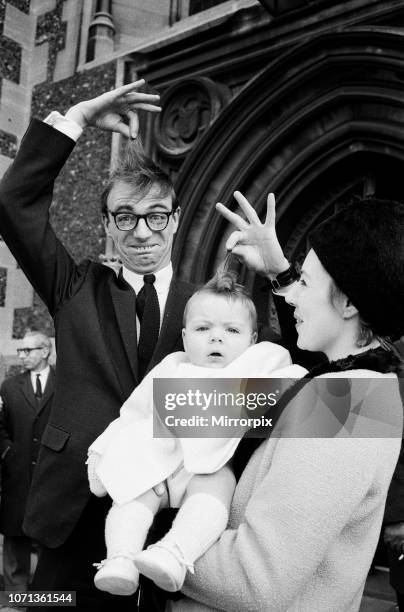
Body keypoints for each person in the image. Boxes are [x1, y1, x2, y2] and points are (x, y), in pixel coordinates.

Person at [0, 81, 199, 611]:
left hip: (166, 522)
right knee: (50, 607)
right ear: (107, 226)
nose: (141, 232)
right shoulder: (75, 286)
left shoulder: (208, 308)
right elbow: (13, 202)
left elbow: (281, 377)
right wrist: (77, 119)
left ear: (175, 221)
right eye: (125, 217)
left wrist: (279, 274)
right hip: (73, 513)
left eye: (156, 214)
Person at [156, 192, 404, 611]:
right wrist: (281, 270)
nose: (291, 296)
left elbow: (256, 579)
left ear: (347, 303)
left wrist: (147, 533)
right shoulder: (356, 386)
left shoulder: (346, 405)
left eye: (305, 283)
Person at [86, 272, 299, 596]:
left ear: (253, 339)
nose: (216, 338)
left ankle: (175, 552)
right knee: (130, 498)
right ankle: (120, 558)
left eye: (231, 330)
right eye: (203, 329)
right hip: (157, 461)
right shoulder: (172, 366)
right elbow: (133, 413)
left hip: (209, 466)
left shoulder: (259, 361)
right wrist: (101, 451)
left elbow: (291, 378)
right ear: (185, 337)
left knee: (216, 492)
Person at [0, 331, 54, 606]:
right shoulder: (8, 387)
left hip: (52, 474)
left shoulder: (66, 383)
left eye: (28, 350)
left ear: (45, 351)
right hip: (17, 475)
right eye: (20, 350)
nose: (22, 355)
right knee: (15, 538)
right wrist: (8, 451)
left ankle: (46, 601)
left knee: (50, 538)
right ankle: (14, 601)